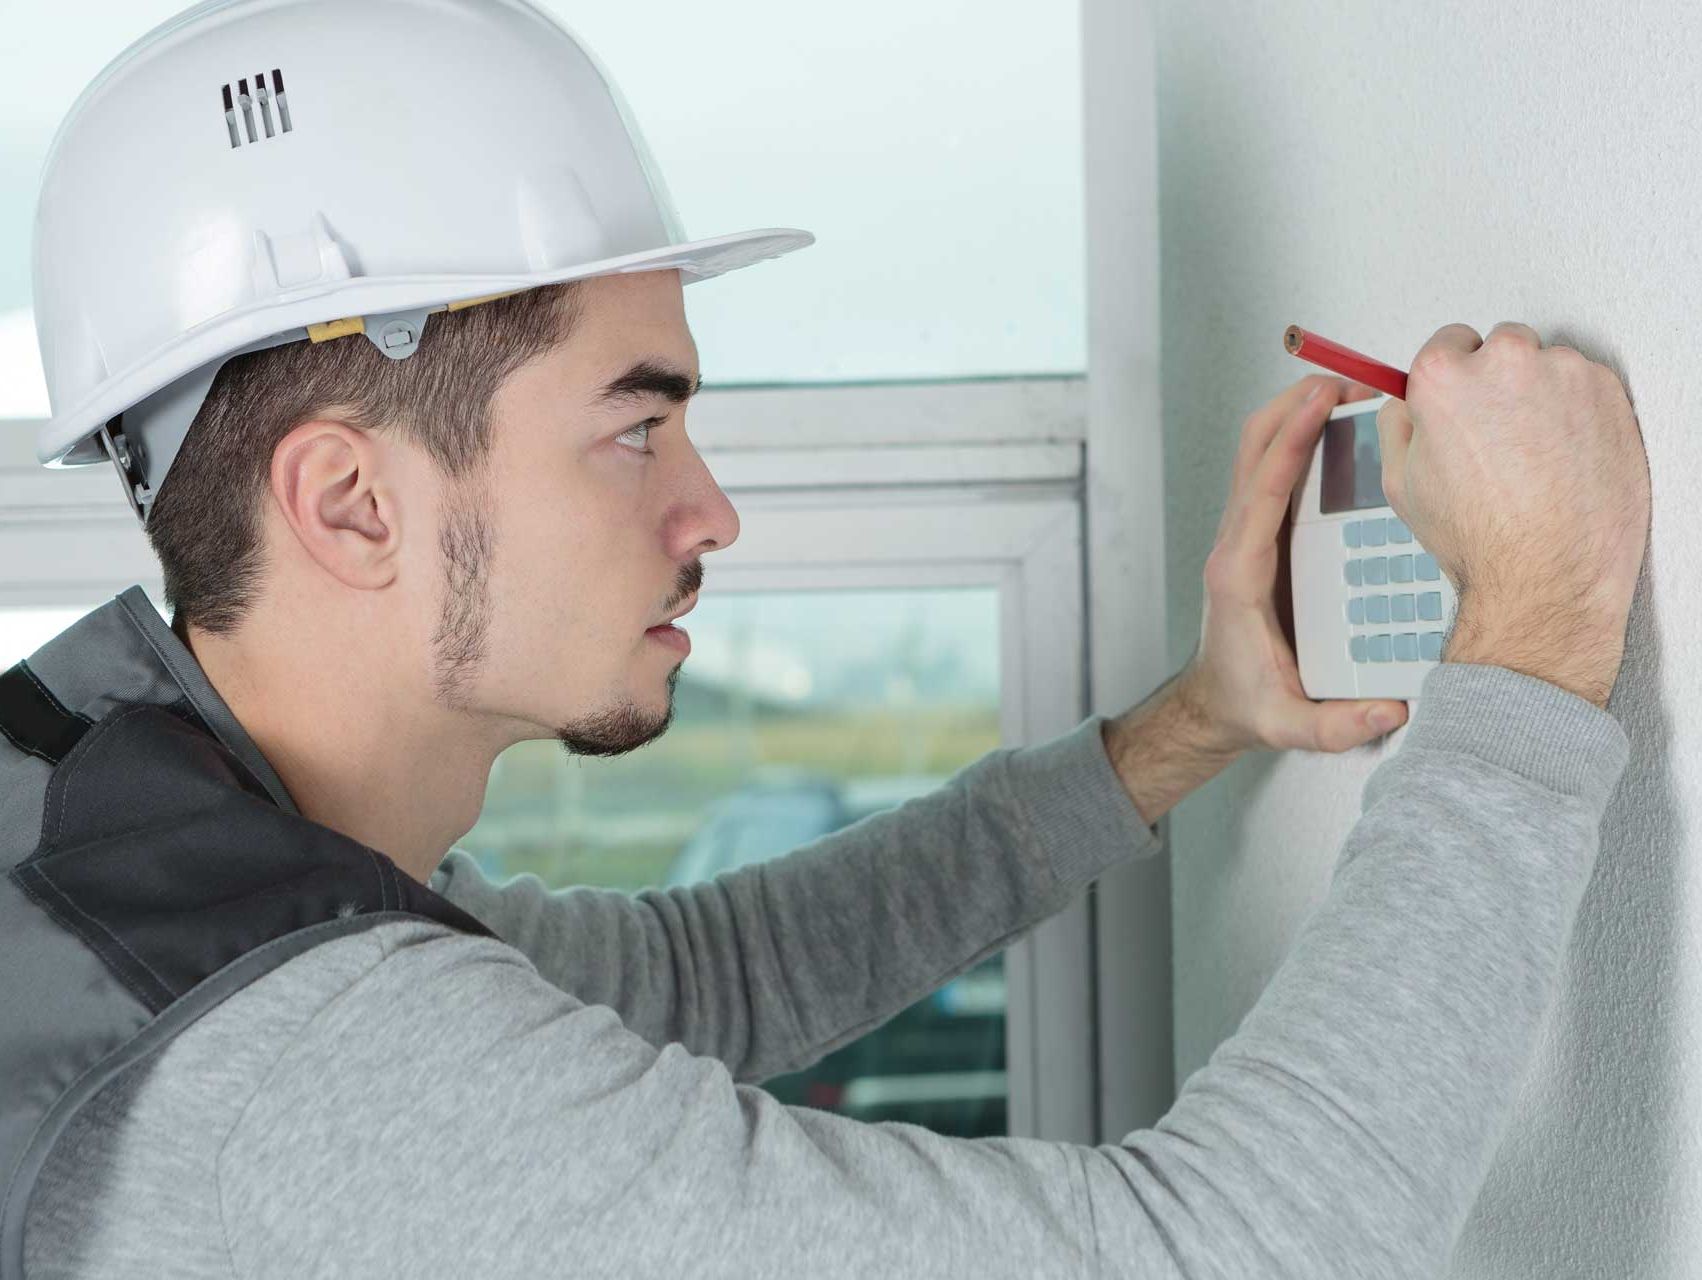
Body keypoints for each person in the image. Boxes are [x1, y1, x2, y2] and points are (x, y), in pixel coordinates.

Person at [1, 4, 1649, 1279]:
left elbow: (693, 986)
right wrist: (1534, 628)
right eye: (632, 431)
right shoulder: (319, 1071)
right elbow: (1242, 1255)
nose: (708, 512)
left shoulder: (122, 830)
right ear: (351, 503)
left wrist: (1190, 726)